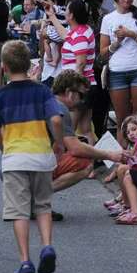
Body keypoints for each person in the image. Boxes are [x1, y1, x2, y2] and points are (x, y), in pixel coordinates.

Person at [0, 40, 64, 273]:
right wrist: (58, 143)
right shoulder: (42, 91)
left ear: (4, 66)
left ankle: (25, 260)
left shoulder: (0, 95)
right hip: (41, 156)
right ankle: (47, 246)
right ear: (29, 64)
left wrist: (5, 148)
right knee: (43, 205)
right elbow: (56, 119)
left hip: (15, 159)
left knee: (19, 211)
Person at [49, 70, 124, 198]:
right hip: (35, 164)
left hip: (16, 161)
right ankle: (41, 194)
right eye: (81, 96)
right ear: (69, 92)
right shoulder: (60, 108)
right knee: (84, 163)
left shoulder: (44, 101)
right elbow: (75, 149)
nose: (83, 101)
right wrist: (110, 155)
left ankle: (37, 194)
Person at [101, 0, 137, 146]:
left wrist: (131, 34)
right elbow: (103, 52)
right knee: (122, 119)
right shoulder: (108, 18)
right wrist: (117, 42)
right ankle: (123, 156)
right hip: (117, 72)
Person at [44, 0, 98, 141]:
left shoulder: (80, 35)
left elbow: (80, 64)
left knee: (68, 131)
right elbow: (65, 36)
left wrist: (73, 90)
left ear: (72, 15)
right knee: (85, 129)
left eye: (67, 10)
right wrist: (52, 16)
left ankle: (69, 154)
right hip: (87, 85)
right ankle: (90, 155)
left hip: (78, 87)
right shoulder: (81, 31)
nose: (64, 12)